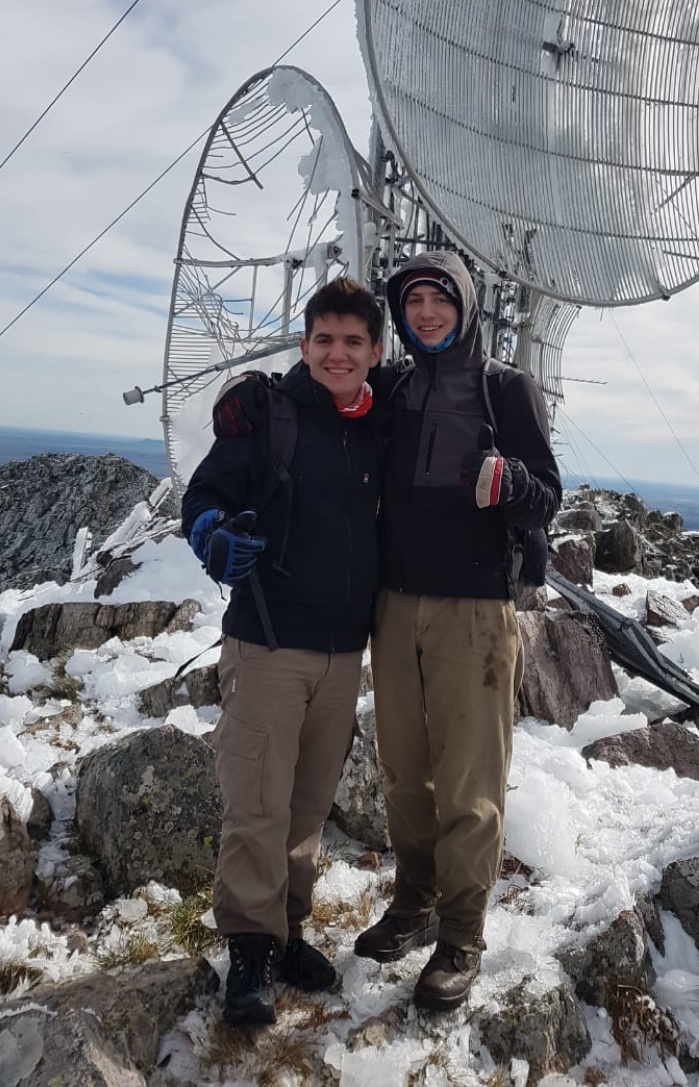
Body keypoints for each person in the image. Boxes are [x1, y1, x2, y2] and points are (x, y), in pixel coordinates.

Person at [353, 251, 561, 1011]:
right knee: (406, 771)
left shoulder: (507, 388)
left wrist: (508, 480)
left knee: (470, 781)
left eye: (439, 300)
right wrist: (251, 392)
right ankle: (413, 904)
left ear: (465, 305)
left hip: (474, 612)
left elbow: (546, 499)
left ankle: (461, 933)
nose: (426, 314)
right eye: (413, 304)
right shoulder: (394, 387)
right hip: (395, 606)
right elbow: (326, 392)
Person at [181, 277, 384, 1027]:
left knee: (305, 806)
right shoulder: (267, 413)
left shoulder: (375, 424)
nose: (337, 353)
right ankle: (247, 950)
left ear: (374, 352)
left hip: (342, 653)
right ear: (304, 346)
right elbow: (202, 496)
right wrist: (214, 535)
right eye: (324, 339)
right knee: (258, 803)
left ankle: (288, 928)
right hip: (268, 643)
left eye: (352, 341)